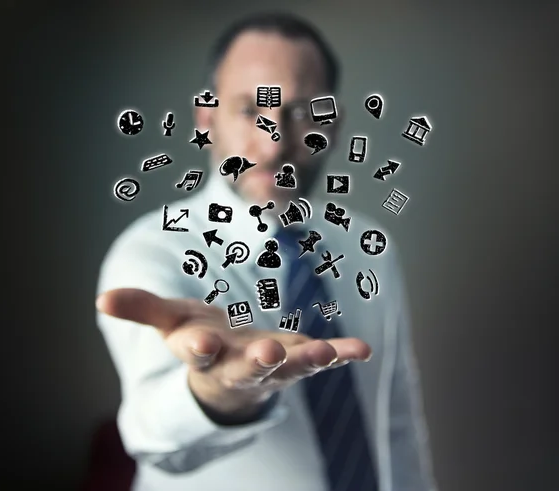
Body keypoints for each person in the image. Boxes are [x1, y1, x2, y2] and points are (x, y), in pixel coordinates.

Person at [96, 11, 438, 491]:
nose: (273, 145)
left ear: (332, 125)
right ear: (206, 119)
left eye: (298, 113)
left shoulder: (369, 248)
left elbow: (395, 422)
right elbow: (154, 437)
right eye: (249, 111)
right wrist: (219, 393)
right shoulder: (151, 252)